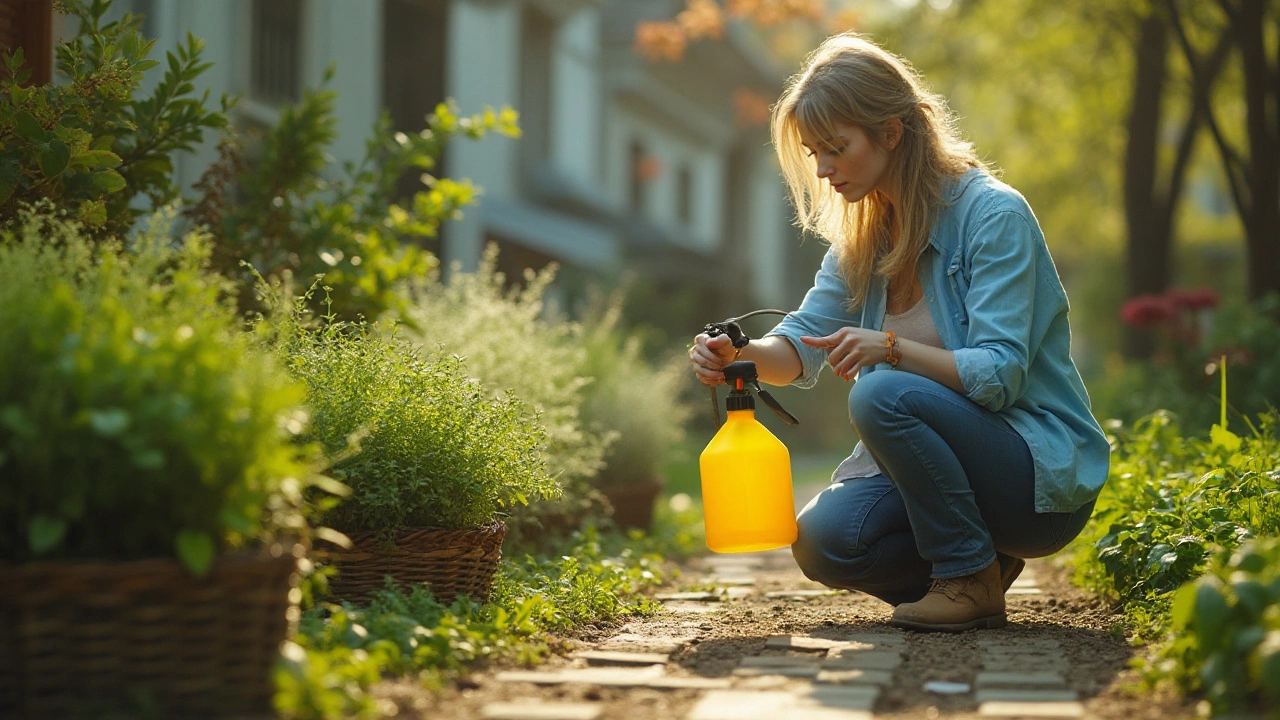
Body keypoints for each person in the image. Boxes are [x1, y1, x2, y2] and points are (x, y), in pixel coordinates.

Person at [687, 33, 1110, 632]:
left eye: (836, 147)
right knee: (823, 542)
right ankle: (981, 569)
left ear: (892, 132)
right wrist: (741, 358)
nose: (824, 169)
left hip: (1031, 479)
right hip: (945, 472)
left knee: (879, 390)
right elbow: (804, 339)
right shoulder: (864, 236)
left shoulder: (994, 216)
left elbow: (999, 376)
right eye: (814, 154)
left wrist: (890, 350)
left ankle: (966, 577)